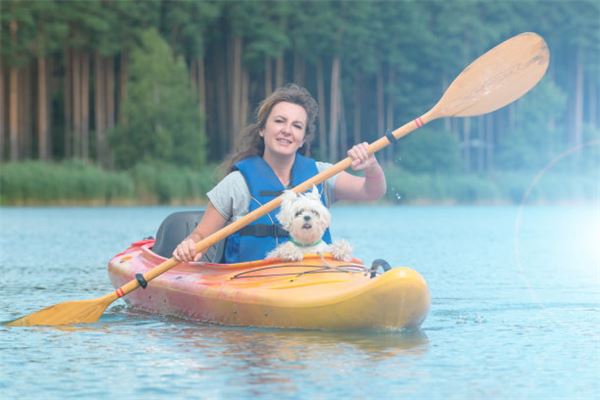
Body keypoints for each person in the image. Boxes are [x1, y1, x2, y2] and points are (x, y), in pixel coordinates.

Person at [173, 84, 386, 263]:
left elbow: (372, 191)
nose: (287, 130)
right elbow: (200, 235)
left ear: (302, 139)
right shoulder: (237, 184)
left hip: (315, 277)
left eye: (296, 126)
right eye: (279, 121)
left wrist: (371, 166)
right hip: (252, 281)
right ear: (262, 129)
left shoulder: (321, 175)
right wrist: (190, 245)